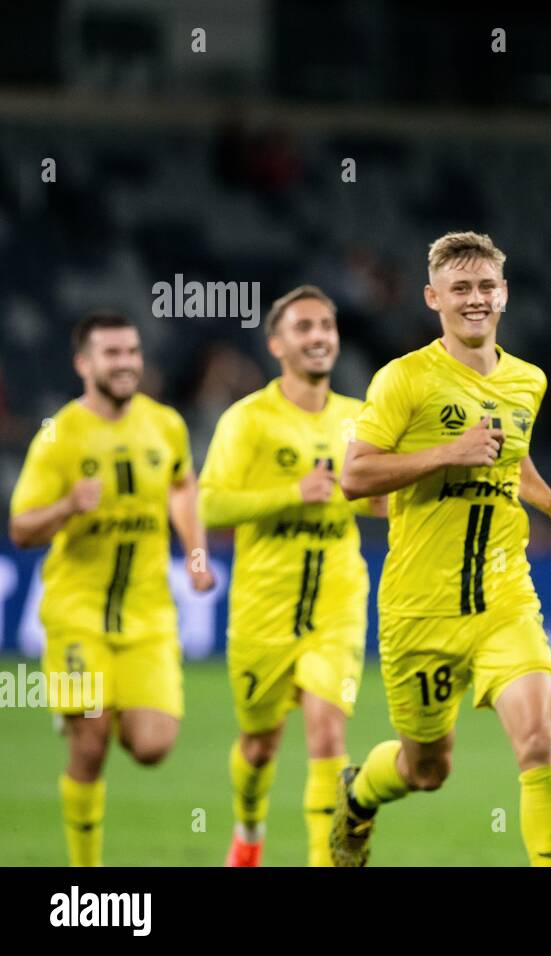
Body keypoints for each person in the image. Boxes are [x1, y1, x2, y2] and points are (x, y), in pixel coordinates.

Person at [332, 231, 551, 866]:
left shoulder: (527, 381)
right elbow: (354, 476)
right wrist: (446, 453)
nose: (475, 298)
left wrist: (548, 501)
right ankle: (361, 793)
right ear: (434, 298)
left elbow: (510, 456)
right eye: (461, 288)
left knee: (537, 740)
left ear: (504, 294)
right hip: (420, 608)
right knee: (427, 770)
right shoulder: (405, 380)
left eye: (486, 286)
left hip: (505, 598)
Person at [9, 311, 214, 866]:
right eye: (112, 354)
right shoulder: (59, 435)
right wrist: (68, 506)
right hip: (78, 610)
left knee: (152, 747)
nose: (125, 364)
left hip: (148, 614)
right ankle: (85, 875)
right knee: (93, 743)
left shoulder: (164, 424)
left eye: (131, 353)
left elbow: (181, 485)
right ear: (84, 363)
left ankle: (94, 706)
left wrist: (195, 555)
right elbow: (22, 528)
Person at [199, 285, 386, 866]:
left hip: (337, 598)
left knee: (327, 735)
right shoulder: (247, 420)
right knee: (259, 745)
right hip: (264, 605)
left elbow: (372, 499)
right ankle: (249, 834)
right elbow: (209, 506)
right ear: (277, 343)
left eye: (327, 326)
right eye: (304, 327)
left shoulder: (361, 418)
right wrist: (291, 494)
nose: (319, 337)